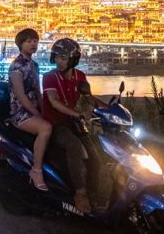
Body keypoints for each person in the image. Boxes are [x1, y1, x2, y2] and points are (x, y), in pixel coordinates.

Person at [41, 38, 108, 214]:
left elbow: (89, 99)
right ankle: (80, 194)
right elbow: (54, 101)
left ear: (73, 60)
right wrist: (76, 114)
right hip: (55, 123)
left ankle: (93, 193)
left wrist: (108, 109)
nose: (59, 61)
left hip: (74, 123)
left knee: (95, 156)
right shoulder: (49, 77)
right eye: (56, 57)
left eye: (63, 58)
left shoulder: (80, 77)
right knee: (75, 147)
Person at [8, 28, 52, 191]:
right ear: (20, 44)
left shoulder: (34, 65)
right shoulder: (17, 66)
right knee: (45, 128)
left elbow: (37, 92)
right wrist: (37, 114)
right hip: (20, 112)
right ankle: (36, 171)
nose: (33, 44)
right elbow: (20, 96)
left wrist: (45, 111)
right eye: (29, 41)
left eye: (35, 41)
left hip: (33, 110)